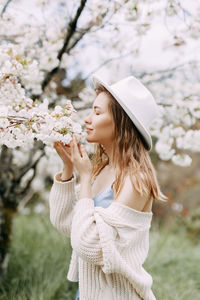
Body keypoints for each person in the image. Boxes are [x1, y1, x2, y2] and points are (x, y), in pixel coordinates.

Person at [49, 74, 167, 300]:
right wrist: (68, 168)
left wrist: (84, 177)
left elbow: (90, 243)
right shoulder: (101, 171)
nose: (87, 119)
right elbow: (66, 224)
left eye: (97, 112)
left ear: (121, 121)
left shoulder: (136, 179)